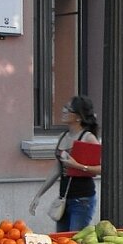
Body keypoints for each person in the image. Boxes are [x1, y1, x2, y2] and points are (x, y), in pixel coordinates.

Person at [29, 95, 100, 232]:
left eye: (68, 109)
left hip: (82, 200)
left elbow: (102, 168)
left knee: (74, 243)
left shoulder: (88, 138)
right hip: (64, 198)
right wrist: (39, 194)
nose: (63, 111)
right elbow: (56, 169)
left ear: (78, 116)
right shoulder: (63, 136)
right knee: (61, 241)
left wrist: (78, 166)